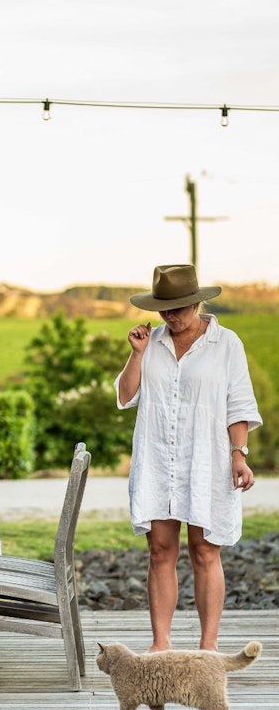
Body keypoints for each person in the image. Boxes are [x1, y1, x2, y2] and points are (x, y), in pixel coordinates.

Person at [115, 264, 262, 653]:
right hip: (158, 462)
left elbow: (239, 404)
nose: (170, 316)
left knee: (205, 551)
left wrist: (239, 454)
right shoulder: (150, 342)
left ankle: (208, 648)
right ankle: (160, 644)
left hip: (206, 462)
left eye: (178, 308)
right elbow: (126, 396)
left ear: (197, 303)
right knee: (160, 551)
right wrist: (136, 354)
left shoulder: (226, 344)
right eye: (163, 308)